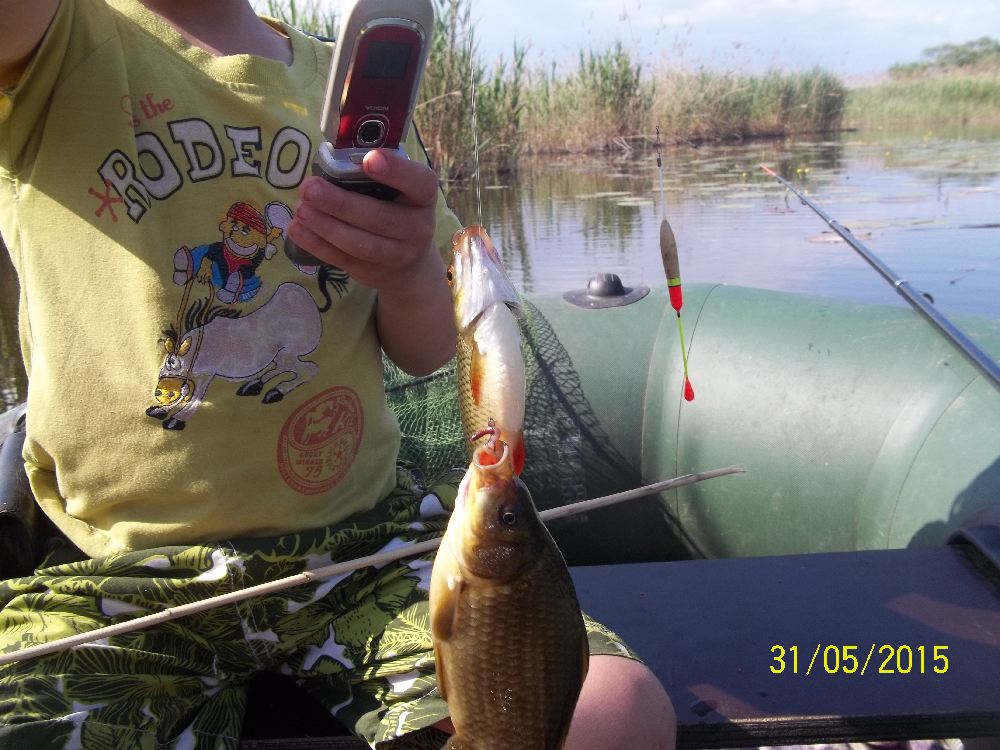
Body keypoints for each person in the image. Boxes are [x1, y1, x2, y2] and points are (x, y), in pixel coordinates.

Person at [0, 1, 677, 748]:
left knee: (614, 711)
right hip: (121, 578)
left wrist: (409, 269)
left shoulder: (350, 84)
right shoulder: (50, 44)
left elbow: (426, 348)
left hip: (363, 552)